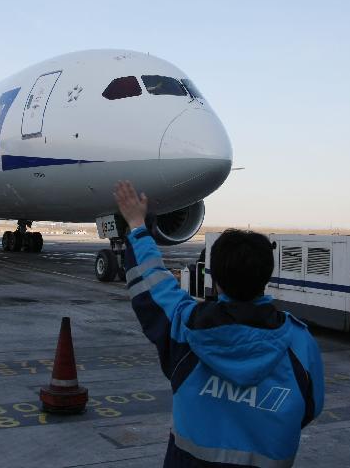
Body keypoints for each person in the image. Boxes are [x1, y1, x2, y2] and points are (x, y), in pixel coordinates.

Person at [114, 180, 324, 468]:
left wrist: (137, 225)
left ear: (216, 280)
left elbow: (152, 282)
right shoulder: (300, 342)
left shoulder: (186, 328)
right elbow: (310, 408)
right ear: (266, 277)